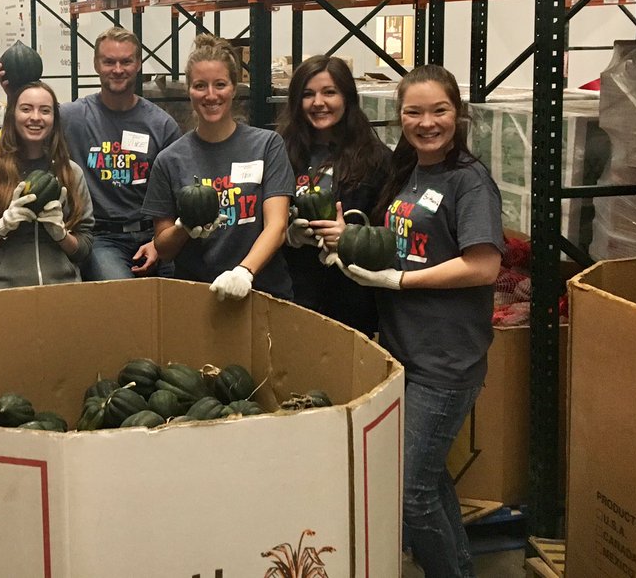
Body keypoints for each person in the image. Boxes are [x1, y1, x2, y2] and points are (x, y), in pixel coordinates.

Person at [329, 64, 503, 578]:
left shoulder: (469, 181)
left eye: (439, 110)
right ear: (400, 116)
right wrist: (349, 240)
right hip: (407, 351)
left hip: (445, 360)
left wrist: (401, 282)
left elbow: (482, 264)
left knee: (410, 493)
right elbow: (400, 244)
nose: (427, 122)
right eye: (414, 112)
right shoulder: (411, 172)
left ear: (459, 114)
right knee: (428, 480)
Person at [142, 35, 294, 300]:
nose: (211, 95)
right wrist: (183, 228)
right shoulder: (169, 160)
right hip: (198, 297)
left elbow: (277, 225)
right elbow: (163, 248)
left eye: (220, 84)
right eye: (200, 86)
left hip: (263, 292)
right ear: (189, 90)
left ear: (234, 88)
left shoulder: (267, 145)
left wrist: (244, 273)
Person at [275, 54, 392, 334]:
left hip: (350, 301)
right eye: (308, 94)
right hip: (293, 294)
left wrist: (352, 237)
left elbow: (389, 235)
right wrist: (288, 234)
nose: (318, 103)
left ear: (347, 98)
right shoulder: (280, 152)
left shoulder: (376, 159)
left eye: (329, 92)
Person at [58, 27, 182, 280]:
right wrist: (14, 91)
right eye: (109, 62)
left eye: (126, 61)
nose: (117, 69)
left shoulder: (162, 125)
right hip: (102, 238)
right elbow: (27, 129)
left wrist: (160, 244)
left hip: (154, 233)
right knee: (121, 296)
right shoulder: (71, 118)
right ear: (96, 64)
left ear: (138, 64)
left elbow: (178, 192)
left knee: (179, 297)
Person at [0, 80, 95, 289]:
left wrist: (61, 235)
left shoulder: (71, 173)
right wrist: (1, 227)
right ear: (12, 115)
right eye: (26, 109)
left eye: (45, 111)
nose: (36, 117)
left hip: (60, 291)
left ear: (54, 120)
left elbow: (84, 248)